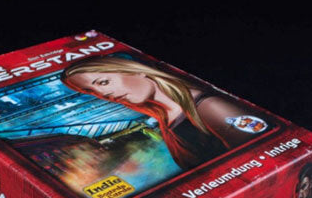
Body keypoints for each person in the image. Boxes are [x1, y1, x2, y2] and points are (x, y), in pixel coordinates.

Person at [61, 56, 271, 170]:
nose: (103, 94)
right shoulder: (165, 117)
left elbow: (263, 165)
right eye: (91, 91)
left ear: (135, 69)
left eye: (103, 82)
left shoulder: (208, 107)